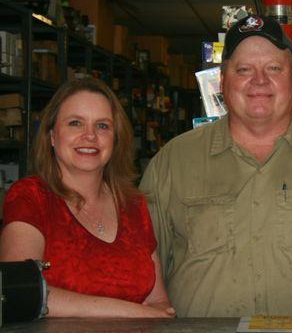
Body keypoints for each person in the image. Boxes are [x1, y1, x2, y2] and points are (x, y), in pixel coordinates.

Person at [140, 15, 292, 317]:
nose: (259, 80)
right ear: (223, 81)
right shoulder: (170, 164)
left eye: (274, 68)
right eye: (244, 70)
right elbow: (141, 271)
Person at [0, 77, 174, 318]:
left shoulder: (133, 204)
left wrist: (153, 314)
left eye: (102, 126)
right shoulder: (31, 197)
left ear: (115, 138)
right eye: (75, 123)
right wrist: (130, 312)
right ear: (52, 136)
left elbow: (158, 301)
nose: (90, 135)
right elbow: (20, 292)